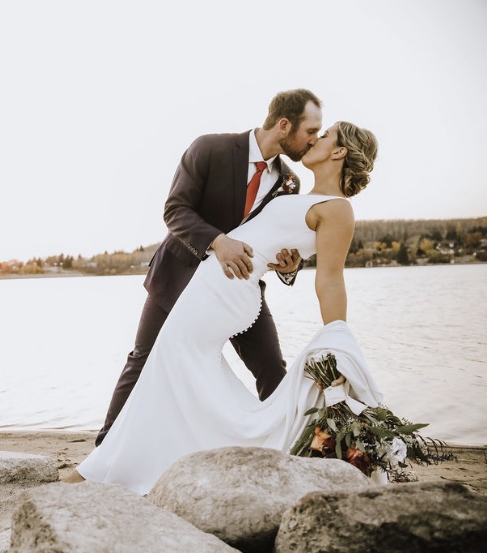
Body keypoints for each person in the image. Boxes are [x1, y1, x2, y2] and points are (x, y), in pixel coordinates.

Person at [67, 121, 381, 495]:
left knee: (168, 370)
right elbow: (272, 238)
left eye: (324, 135)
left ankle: (99, 472)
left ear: (339, 152)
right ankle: (132, 463)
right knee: (174, 374)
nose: (314, 139)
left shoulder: (337, 209)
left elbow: (329, 278)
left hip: (225, 293)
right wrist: (289, 260)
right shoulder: (293, 194)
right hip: (213, 284)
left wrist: (338, 341)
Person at [95, 89, 323, 447]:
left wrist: (288, 266)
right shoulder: (210, 148)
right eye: (310, 131)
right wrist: (219, 241)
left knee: (271, 368)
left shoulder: (290, 183)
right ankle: (104, 449)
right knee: (143, 359)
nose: (314, 140)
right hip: (179, 278)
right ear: (284, 125)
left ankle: (291, 448)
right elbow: (175, 210)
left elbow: (278, 244)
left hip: (240, 290)